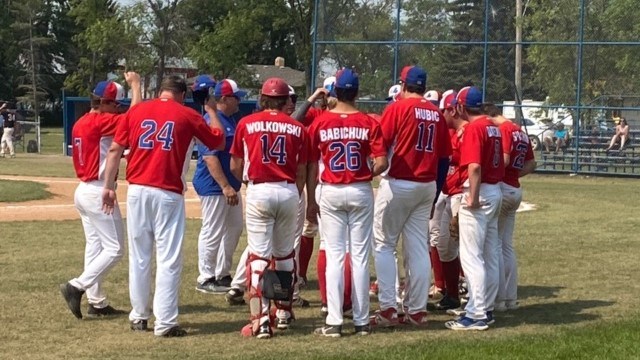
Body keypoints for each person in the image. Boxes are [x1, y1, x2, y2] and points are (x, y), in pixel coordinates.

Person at [101, 75, 226, 337]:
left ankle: (138, 316)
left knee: (140, 256)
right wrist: (212, 110)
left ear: (161, 91)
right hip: (167, 192)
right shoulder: (187, 114)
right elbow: (218, 140)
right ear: (181, 94)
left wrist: (109, 186)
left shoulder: (137, 111)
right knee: (168, 258)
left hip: (137, 190)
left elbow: (114, 150)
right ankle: (166, 322)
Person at [307, 69, 388, 337]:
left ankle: (334, 320)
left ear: (334, 92)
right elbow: (382, 162)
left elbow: (309, 160)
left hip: (330, 189)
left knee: (334, 255)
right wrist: (366, 173)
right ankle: (362, 320)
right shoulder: (369, 122)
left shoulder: (320, 121)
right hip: (360, 188)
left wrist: (310, 195)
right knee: (361, 257)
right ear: (356, 92)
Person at [371, 65, 451, 327]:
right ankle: (417, 311)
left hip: (399, 182)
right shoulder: (436, 114)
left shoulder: (398, 107)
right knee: (418, 247)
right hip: (426, 185)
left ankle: (388, 308)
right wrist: (436, 193)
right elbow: (443, 160)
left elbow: (380, 144)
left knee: (384, 244)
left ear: (403, 86)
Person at [59, 73, 142, 319]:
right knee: (115, 249)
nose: (118, 109)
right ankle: (77, 285)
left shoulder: (82, 121)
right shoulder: (99, 121)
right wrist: (136, 86)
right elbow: (135, 116)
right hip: (98, 190)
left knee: (95, 246)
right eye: (116, 104)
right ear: (104, 103)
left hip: (84, 190)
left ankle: (97, 302)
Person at [230, 77, 307, 339]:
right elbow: (301, 170)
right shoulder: (297, 127)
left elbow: (235, 164)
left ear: (263, 98)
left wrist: (246, 182)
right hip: (287, 190)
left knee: (259, 258)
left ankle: (261, 319)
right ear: (286, 100)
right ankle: (283, 312)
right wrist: (293, 193)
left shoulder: (246, 123)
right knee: (285, 256)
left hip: (259, 189)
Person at [445, 86, 504, 331]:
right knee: (490, 254)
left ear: (460, 106)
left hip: (479, 192)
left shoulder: (474, 128)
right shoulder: (493, 125)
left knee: (471, 256)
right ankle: (486, 308)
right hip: (496, 190)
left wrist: (473, 197)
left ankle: (477, 313)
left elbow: (475, 167)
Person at [193, 78, 246, 294]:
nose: (239, 102)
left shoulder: (229, 120)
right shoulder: (210, 120)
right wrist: (225, 186)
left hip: (229, 185)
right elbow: (210, 158)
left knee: (234, 228)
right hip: (214, 185)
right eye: (236, 98)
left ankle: (222, 273)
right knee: (212, 230)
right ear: (224, 98)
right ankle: (205, 277)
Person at [491, 112, 536, 313]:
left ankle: (499, 299)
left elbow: (505, 158)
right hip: (515, 188)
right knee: (507, 246)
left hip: (503, 187)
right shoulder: (520, 131)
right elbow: (531, 163)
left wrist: (498, 172)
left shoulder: (505, 130)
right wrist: (515, 175)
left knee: (496, 245)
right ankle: (511, 298)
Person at [428, 89, 466, 312]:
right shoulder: (445, 131)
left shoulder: (466, 131)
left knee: (467, 247)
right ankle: (451, 294)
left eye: (442, 110)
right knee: (443, 244)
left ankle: (473, 295)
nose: (439, 114)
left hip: (461, 192)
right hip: (446, 190)